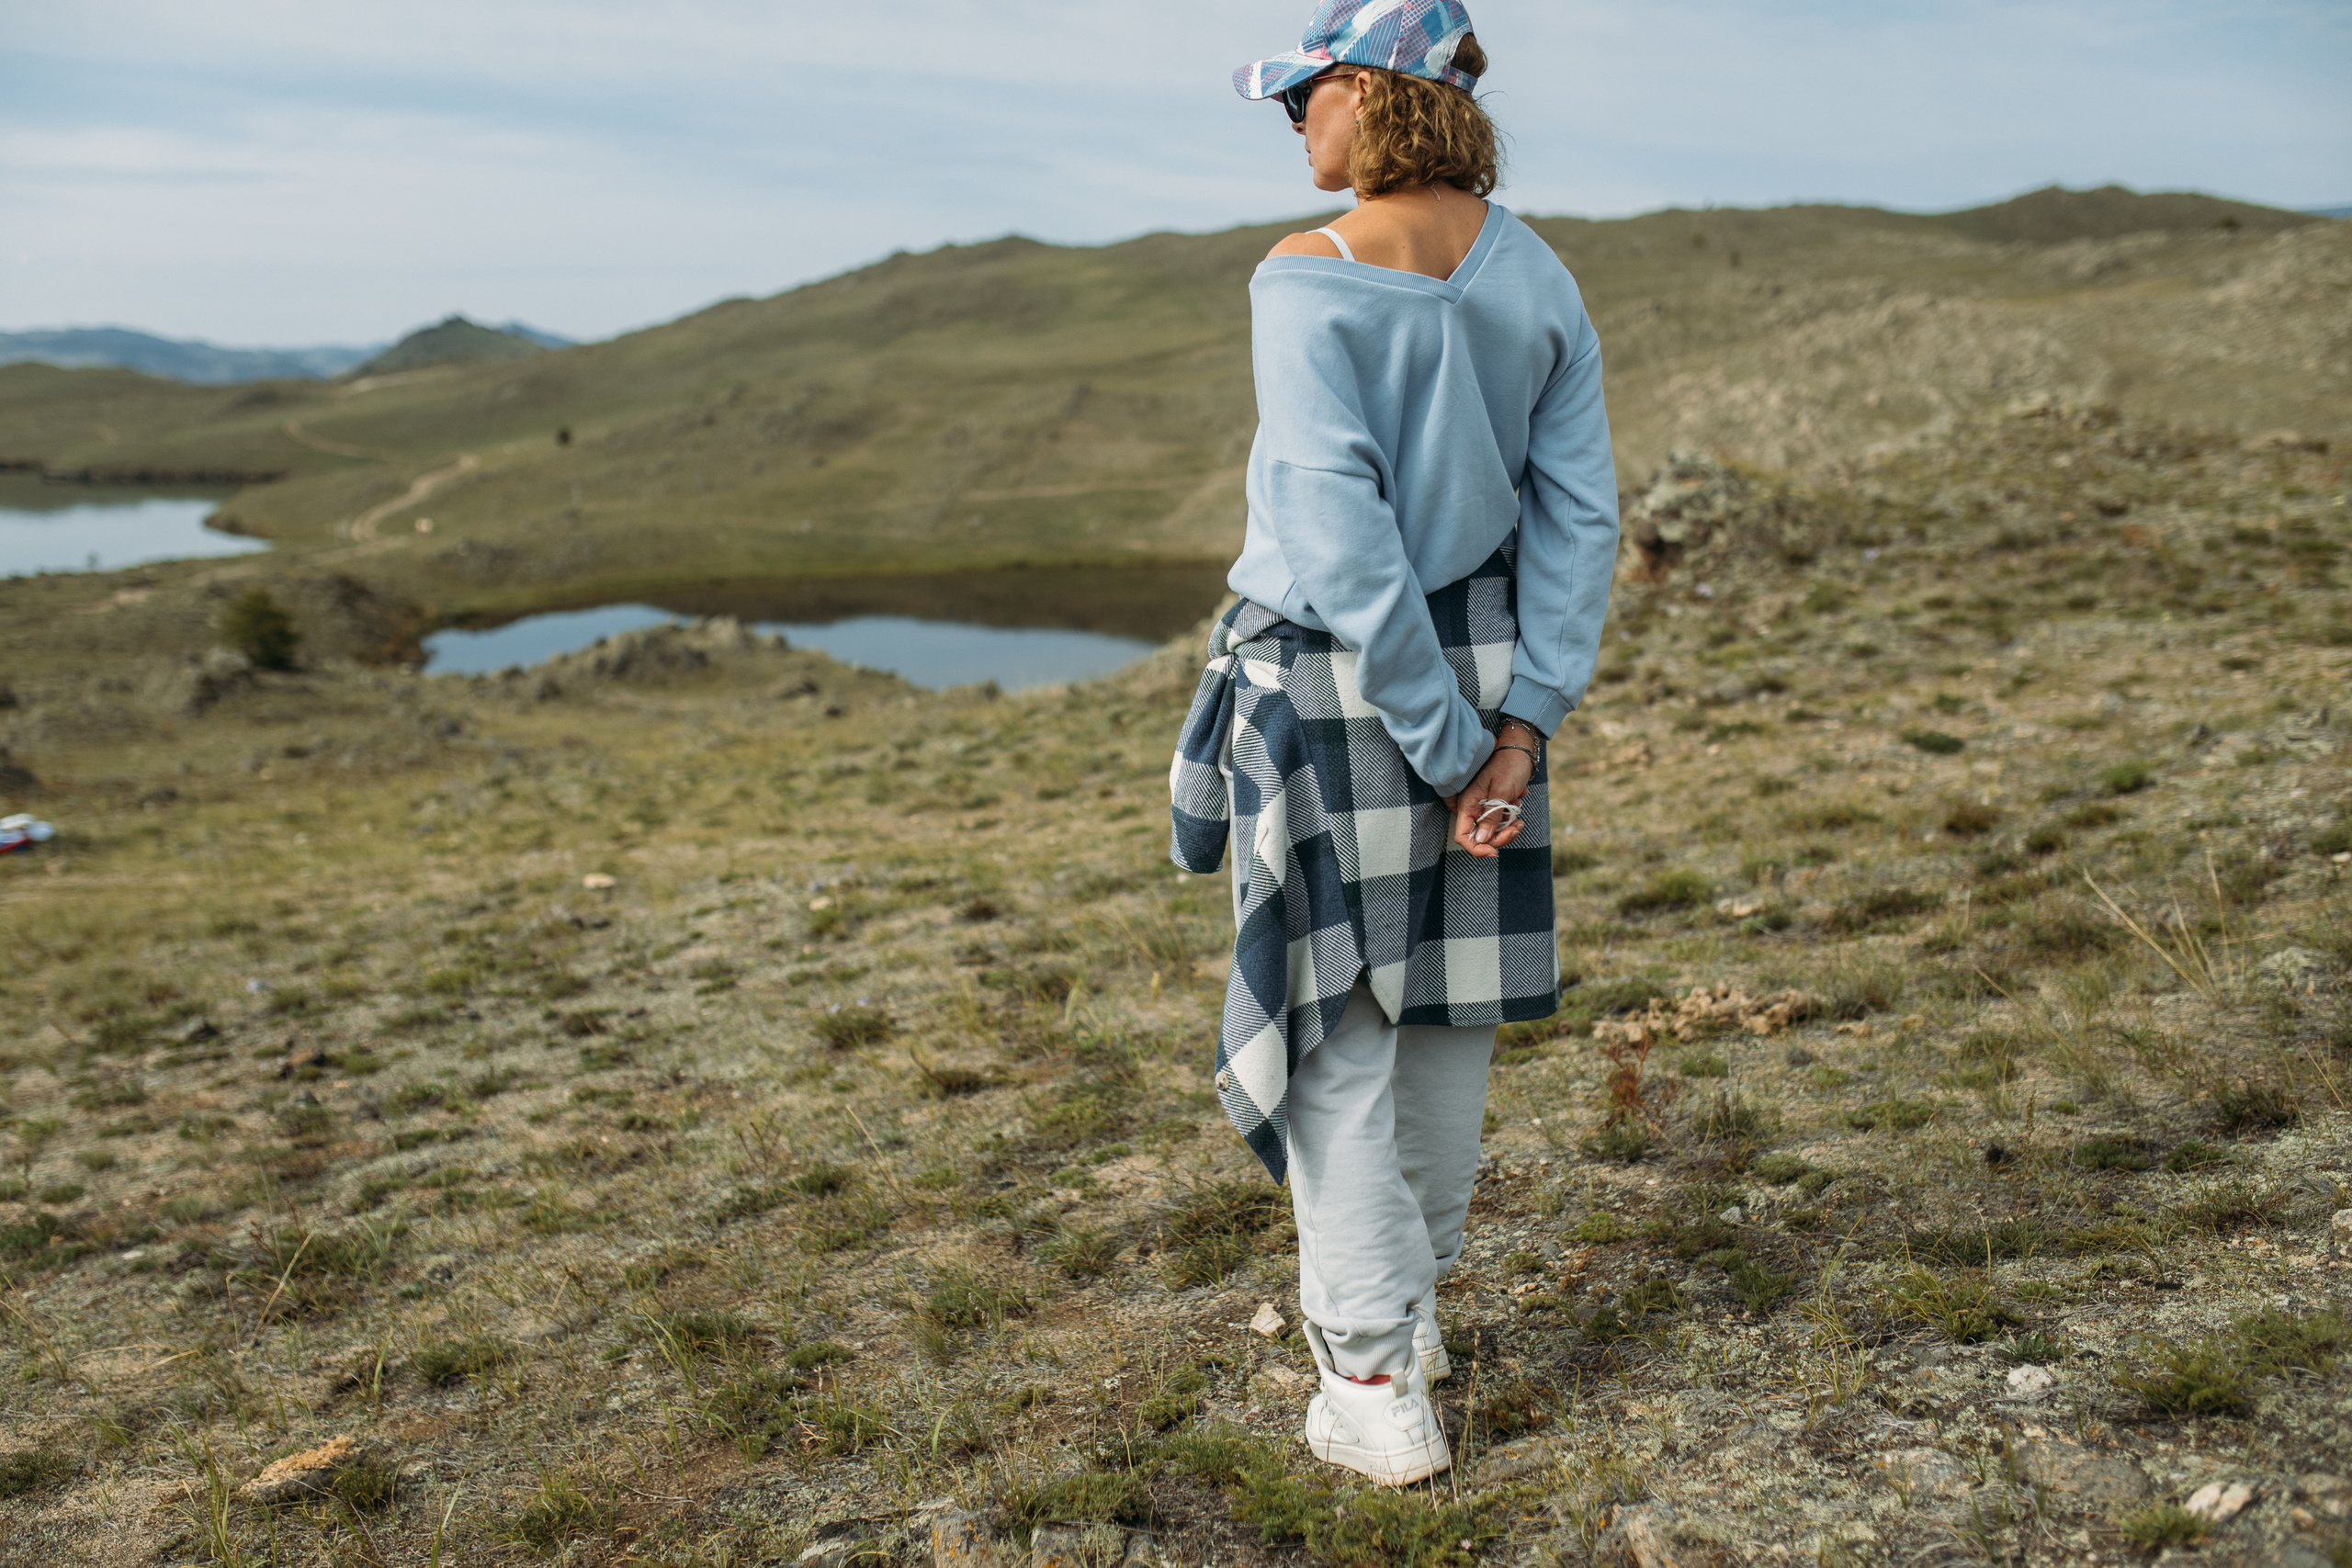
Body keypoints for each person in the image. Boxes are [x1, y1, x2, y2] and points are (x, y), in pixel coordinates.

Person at [1169, 0, 1619, 1486]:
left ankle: (1373, 1386)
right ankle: (1410, 1321)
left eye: (1302, 95)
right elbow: (1580, 521)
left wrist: (1440, 743)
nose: (1291, 122)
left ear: (1369, 93)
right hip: (1488, 678)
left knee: (1337, 1043)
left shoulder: (1308, 279)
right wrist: (1520, 727)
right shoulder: (1536, 271)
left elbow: (1338, 540)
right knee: (1447, 1018)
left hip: (1340, 684)